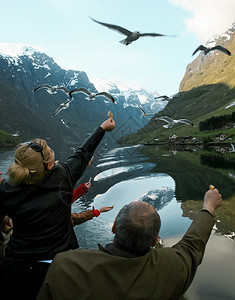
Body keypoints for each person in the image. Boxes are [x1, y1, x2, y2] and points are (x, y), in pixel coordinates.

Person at [0, 117, 115, 300]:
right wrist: (102, 128)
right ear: (49, 165)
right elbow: (83, 153)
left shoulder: (6, 188)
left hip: (15, 267)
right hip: (56, 267)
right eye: (51, 152)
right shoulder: (62, 175)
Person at [37, 187, 222, 300]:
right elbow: (192, 244)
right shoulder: (173, 268)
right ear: (155, 239)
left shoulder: (65, 266)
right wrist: (208, 208)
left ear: (114, 227)